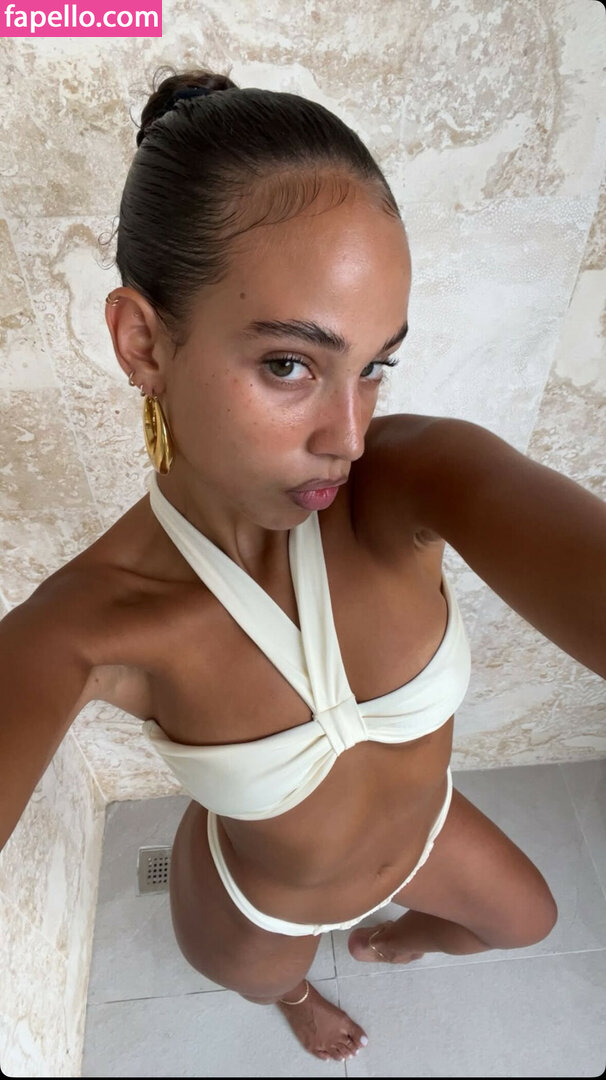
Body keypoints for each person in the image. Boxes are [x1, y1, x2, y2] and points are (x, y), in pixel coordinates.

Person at [2, 67, 605, 1066]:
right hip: (255, 904)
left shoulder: (412, 484)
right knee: (270, 978)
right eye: (290, 364)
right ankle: (293, 997)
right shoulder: (91, 626)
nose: (349, 437)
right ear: (143, 343)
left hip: (421, 837)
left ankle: (397, 937)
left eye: (374, 366)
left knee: (528, 921)